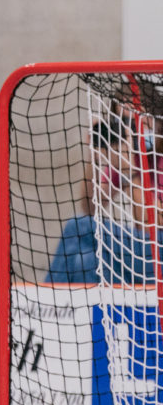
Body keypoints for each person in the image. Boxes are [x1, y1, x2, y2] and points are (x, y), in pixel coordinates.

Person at [46, 115, 154, 285]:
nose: (129, 130)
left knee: (78, 225)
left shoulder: (154, 159)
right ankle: (75, 309)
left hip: (157, 252)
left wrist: (130, 170)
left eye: (133, 123)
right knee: (87, 260)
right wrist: (94, 156)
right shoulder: (128, 157)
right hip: (139, 255)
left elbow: (153, 224)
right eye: (123, 123)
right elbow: (90, 207)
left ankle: (46, 303)